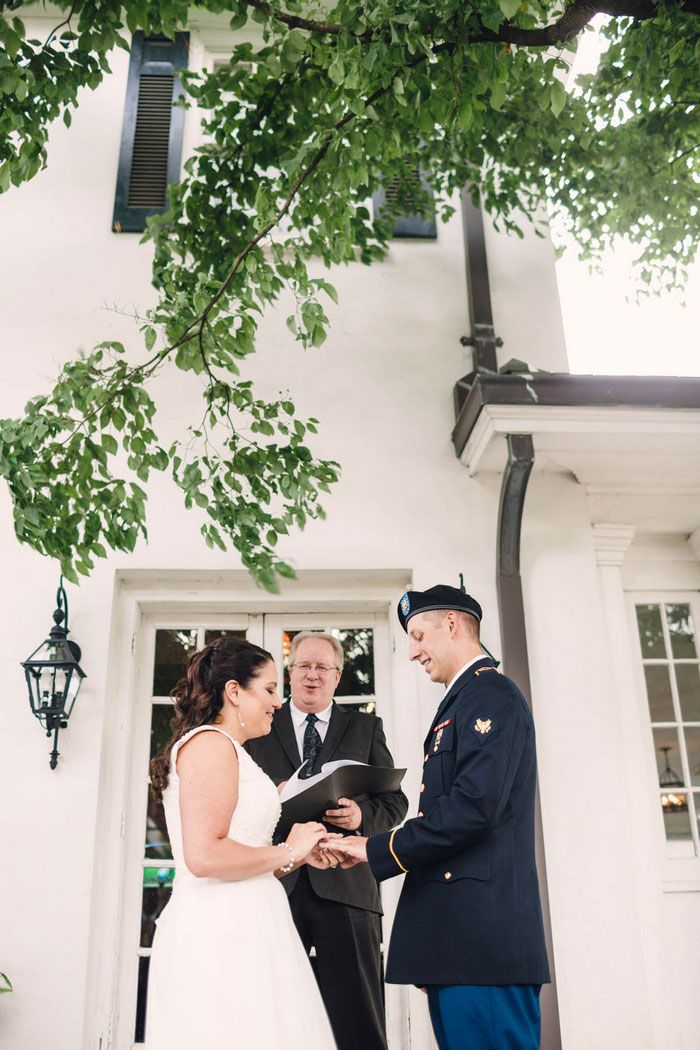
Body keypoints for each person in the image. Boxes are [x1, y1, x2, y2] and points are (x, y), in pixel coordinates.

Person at [328, 586, 551, 1050]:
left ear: (451, 624)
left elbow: (472, 810)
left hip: (482, 942)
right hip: (457, 940)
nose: (412, 652)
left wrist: (372, 848)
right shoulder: (463, 700)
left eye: (418, 635)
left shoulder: (492, 697)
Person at [146, 635, 338, 1050]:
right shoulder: (209, 746)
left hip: (253, 922)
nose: (277, 702)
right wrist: (290, 848)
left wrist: (301, 856)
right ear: (234, 691)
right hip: (221, 930)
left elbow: (244, 856)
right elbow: (205, 855)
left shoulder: (232, 749)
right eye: (269, 689)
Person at [246, 631, 408, 1050]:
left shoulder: (366, 726)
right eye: (303, 666)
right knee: (273, 1011)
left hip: (348, 889)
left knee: (359, 1017)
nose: (311, 676)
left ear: (338, 676)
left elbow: (395, 801)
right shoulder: (262, 722)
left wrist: (361, 816)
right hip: (275, 885)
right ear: (290, 673)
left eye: (322, 668)